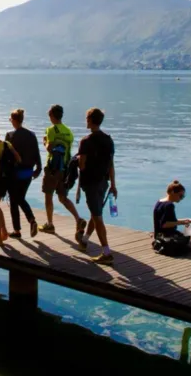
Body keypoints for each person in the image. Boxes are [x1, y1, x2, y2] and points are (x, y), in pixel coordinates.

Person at [76, 108, 117, 264]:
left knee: (97, 217)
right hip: (103, 183)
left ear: (90, 120)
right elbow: (111, 164)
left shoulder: (85, 141)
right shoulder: (108, 140)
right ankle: (85, 241)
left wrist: (78, 161)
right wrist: (113, 185)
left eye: (87, 118)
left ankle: (106, 252)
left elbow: (82, 165)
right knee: (96, 212)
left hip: (91, 183)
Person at [39, 104, 86, 237]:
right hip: (65, 168)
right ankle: (78, 219)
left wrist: (45, 142)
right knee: (63, 197)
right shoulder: (68, 131)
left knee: (48, 195)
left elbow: (49, 148)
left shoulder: (51, 130)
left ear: (52, 116)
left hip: (53, 169)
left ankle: (50, 224)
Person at [4, 108, 42, 238]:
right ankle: (24, 226)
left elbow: (6, 156)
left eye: (10, 119)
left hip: (14, 173)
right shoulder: (31, 135)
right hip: (28, 172)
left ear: (14, 120)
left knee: (15, 200)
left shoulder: (10, 135)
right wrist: (39, 168)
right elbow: (37, 152)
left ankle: (23, 226)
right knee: (19, 198)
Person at [152, 180, 191, 256]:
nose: (181, 198)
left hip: (158, 236)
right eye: (181, 196)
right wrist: (182, 223)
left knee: (187, 237)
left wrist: (187, 220)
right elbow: (164, 224)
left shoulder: (160, 202)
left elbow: (169, 221)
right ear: (173, 192)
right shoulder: (169, 205)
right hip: (167, 237)